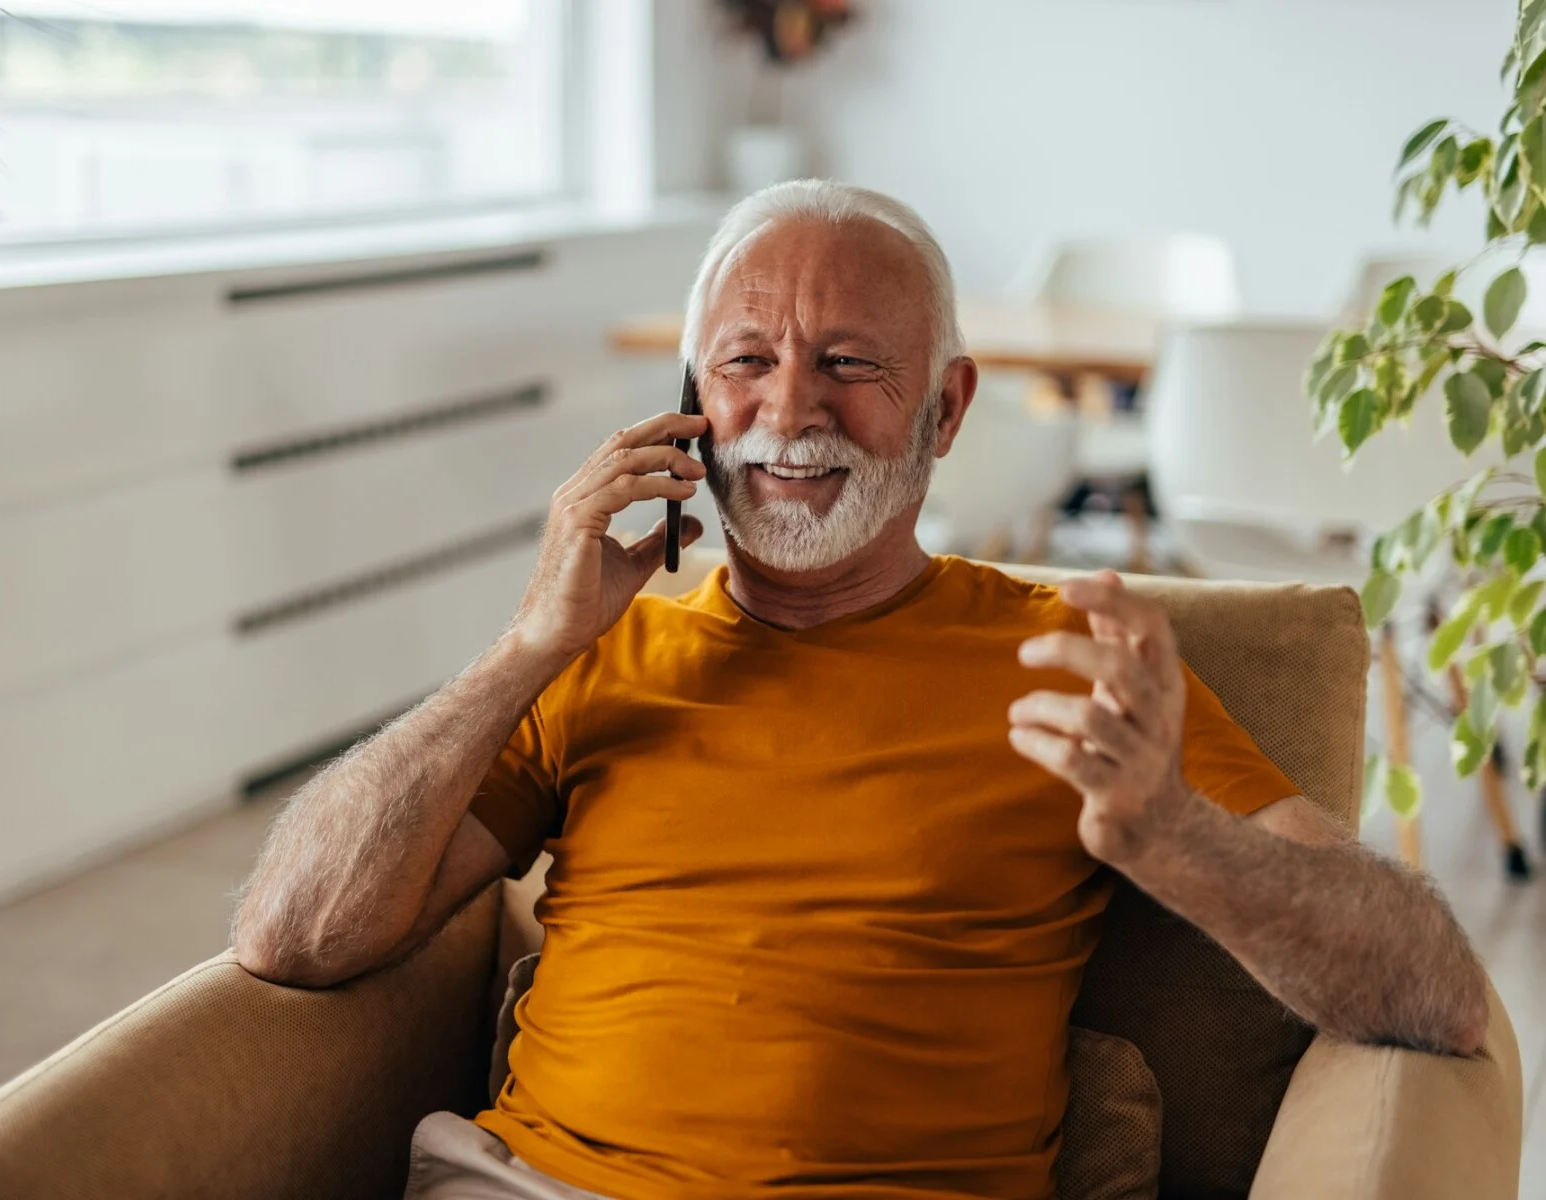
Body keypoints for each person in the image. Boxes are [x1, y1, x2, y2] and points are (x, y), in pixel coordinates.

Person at [232, 181, 1488, 1200]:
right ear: (687, 404)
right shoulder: (590, 654)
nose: (788, 409)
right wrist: (521, 651)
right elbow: (292, 937)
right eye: (743, 362)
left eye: (846, 362)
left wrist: (1176, 837)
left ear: (943, 410)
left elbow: (1430, 991)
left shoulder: (1074, 662)